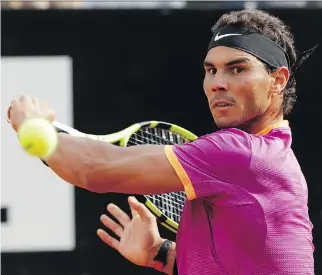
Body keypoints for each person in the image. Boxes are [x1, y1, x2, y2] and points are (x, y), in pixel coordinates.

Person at [7, 9, 316, 275]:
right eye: (211, 70)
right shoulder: (273, 157)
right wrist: (163, 254)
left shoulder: (241, 153)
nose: (217, 83)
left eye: (237, 69)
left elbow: (93, 168)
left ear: (278, 80)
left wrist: (29, 124)